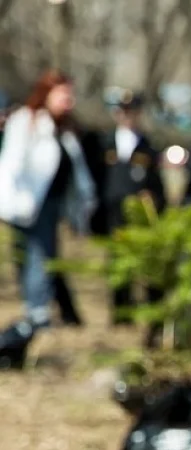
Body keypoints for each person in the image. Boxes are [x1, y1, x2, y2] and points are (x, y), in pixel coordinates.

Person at [0, 69, 96, 361]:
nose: (69, 100)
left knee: (44, 257)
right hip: (29, 203)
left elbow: (76, 170)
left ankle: (40, 311)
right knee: (37, 257)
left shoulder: (64, 128)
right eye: (64, 94)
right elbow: (13, 164)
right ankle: (37, 312)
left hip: (52, 204)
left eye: (71, 95)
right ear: (47, 93)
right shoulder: (27, 121)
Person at [93, 91, 168, 324]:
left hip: (140, 212)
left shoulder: (148, 146)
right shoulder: (104, 143)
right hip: (113, 211)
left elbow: (157, 182)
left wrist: (155, 200)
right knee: (118, 263)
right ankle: (121, 314)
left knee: (146, 265)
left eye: (131, 111)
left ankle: (151, 314)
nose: (126, 116)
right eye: (122, 111)